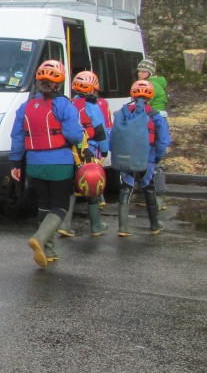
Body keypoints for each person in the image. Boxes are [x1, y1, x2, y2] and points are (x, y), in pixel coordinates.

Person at [9, 59, 85, 268]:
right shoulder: (63, 105)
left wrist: (15, 162)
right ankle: (40, 239)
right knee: (60, 206)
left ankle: (49, 251)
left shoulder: (25, 106)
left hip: (34, 163)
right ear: (59, 84)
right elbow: (75, 135)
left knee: (44, 204)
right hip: (59, 162)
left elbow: (17, 136)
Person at [115, 79, 171, 236]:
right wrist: (158, 157)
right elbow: (162, 140)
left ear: (132, 95)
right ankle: (155, 224)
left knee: (126, 188)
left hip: (126, 156)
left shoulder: (123, 112)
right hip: (147, 156)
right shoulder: (155, 115)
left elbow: (114, 135)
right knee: (148, 187)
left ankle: (123, 228)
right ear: (150, 96)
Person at [58, 70, 110, 238]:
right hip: (89, 150)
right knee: (91, 185)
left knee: (72, 187)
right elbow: (101, 131)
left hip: (71, 151)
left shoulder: (69, 104)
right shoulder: (92, 107)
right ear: (92, 89)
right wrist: (104, 150)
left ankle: (65, 224)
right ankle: (96, 225)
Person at [136, 58, 169, 208]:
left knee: (154, 163)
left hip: (154, 123)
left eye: (143, 71)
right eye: (139, 70)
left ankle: (157, 199)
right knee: (148, 162)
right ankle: (146, 197)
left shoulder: (151, 85)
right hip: (153, 122)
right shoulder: (151, 83)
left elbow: (144, 104)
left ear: (150, 73)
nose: (140, 73)